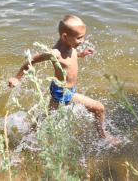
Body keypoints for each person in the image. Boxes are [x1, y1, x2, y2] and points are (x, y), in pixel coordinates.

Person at [8, 15, 118, 143]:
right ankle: (103, 136)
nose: (82, 41)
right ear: (65, 37)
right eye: (79, 37)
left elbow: (70, 54)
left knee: (47, 115)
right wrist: (17, 78)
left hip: (62, 89)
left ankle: (28, 136)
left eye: (83, 36)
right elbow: (32, 59)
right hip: (63, 92)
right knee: (99, 108)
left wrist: (81, 54)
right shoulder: (56, 53)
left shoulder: (70, 46)